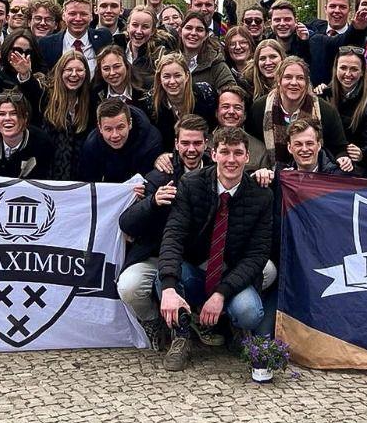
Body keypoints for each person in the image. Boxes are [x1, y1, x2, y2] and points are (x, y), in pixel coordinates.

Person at [157, 127, 273, 372]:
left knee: (249, 312)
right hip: (196, 268)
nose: (231, 160)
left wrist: (221, 293)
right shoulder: (191, 184)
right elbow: (173, 236)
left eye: (238, 153)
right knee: (165, 278)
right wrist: (168, 287)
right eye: (225, 152)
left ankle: (233, 328)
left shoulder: (261, 196)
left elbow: (257, 255)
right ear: (214, 154)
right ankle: (181, 334)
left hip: (231, 274)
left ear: (247, 157)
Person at [117, 116, 212, 343]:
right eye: (185, 143)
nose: (191, 150)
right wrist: (152, 201)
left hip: (199, 256)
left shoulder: (217, 174)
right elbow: (126, 223)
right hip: (156, 254)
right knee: (129, 287)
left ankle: (205, 320)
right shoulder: (160, 175)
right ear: (176, 144)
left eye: (197, 143)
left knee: (262, 273)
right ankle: (152, 321)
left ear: (206, 144)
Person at [249, 55, 348, 167]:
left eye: (300, 78)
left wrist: (342, 158)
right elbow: (253, 146)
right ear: (279, 80)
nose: (294, 82)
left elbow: (339, 149)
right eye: (288, 77)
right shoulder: (259, 108)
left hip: (314, 174)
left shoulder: (326, 111)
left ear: (307, 82)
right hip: (270, 173)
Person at [317, 47, 367, 166]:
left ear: (362, 72)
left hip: (354, 164)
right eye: (343, 68)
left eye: (354, 69)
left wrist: (362, 153)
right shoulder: (324, 95)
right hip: (326, 159)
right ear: (335, 69)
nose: (348, 74)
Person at [76, 97, 163, 182]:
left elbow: (153, 182)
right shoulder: (91, 145)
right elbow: (89, 184)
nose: (115, 135)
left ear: (130, 123)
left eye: (120, 127)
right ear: (100, 128)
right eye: (108, 129)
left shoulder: (151, 141)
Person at [41, 49, 94, 178]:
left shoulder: (92, 101)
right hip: (48, 176)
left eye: (79, 70)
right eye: (69, 70)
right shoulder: (45, 97)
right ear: (60, 72)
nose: (74, 74)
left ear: (86, 73)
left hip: (80, 177)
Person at [150, 55, 217, 149]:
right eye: (166, 76)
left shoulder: (205, 94)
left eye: (177, 76)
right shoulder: (151, 104)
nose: (172, 81)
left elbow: (215, 128)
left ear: (187, 76)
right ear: (159, 79)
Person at [37, 0, 111, 73]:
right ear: (63, 16)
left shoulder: (104, 38)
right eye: (72, 14)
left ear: (91, 17)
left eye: (83, 14)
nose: (78, 19)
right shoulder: (46, 44)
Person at [176, 13, 238, 98]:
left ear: (206, 35)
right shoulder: (169, 61)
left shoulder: (216, 64)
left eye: (199, 30)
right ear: (180, 32)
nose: (193, 33)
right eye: (189, 28)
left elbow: (231, 96)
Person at [214, 86, 269, 170]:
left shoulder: (260, 150)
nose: (231, 112)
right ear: (216, 112)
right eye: (225, 107)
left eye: (237, 108)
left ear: (245, 115)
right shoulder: (203, 144)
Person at [92, 43, 152, 117]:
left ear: (126, 66)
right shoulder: (96, 94)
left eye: (117, 66)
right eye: (106, 69)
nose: (112, 73)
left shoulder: (146, 89)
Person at [0, 29, 45, 120]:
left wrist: (25, 75)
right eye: (18, 51)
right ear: (7, 50)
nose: (22, 56)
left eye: (28, 52)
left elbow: (38, 106)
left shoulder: (41, 78)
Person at [241, 37, 285, 102]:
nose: (268, 62)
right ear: (257, 63)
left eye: (273, 57)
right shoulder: (246, 86)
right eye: (262, 58)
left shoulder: (292, 83)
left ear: (282, 58)